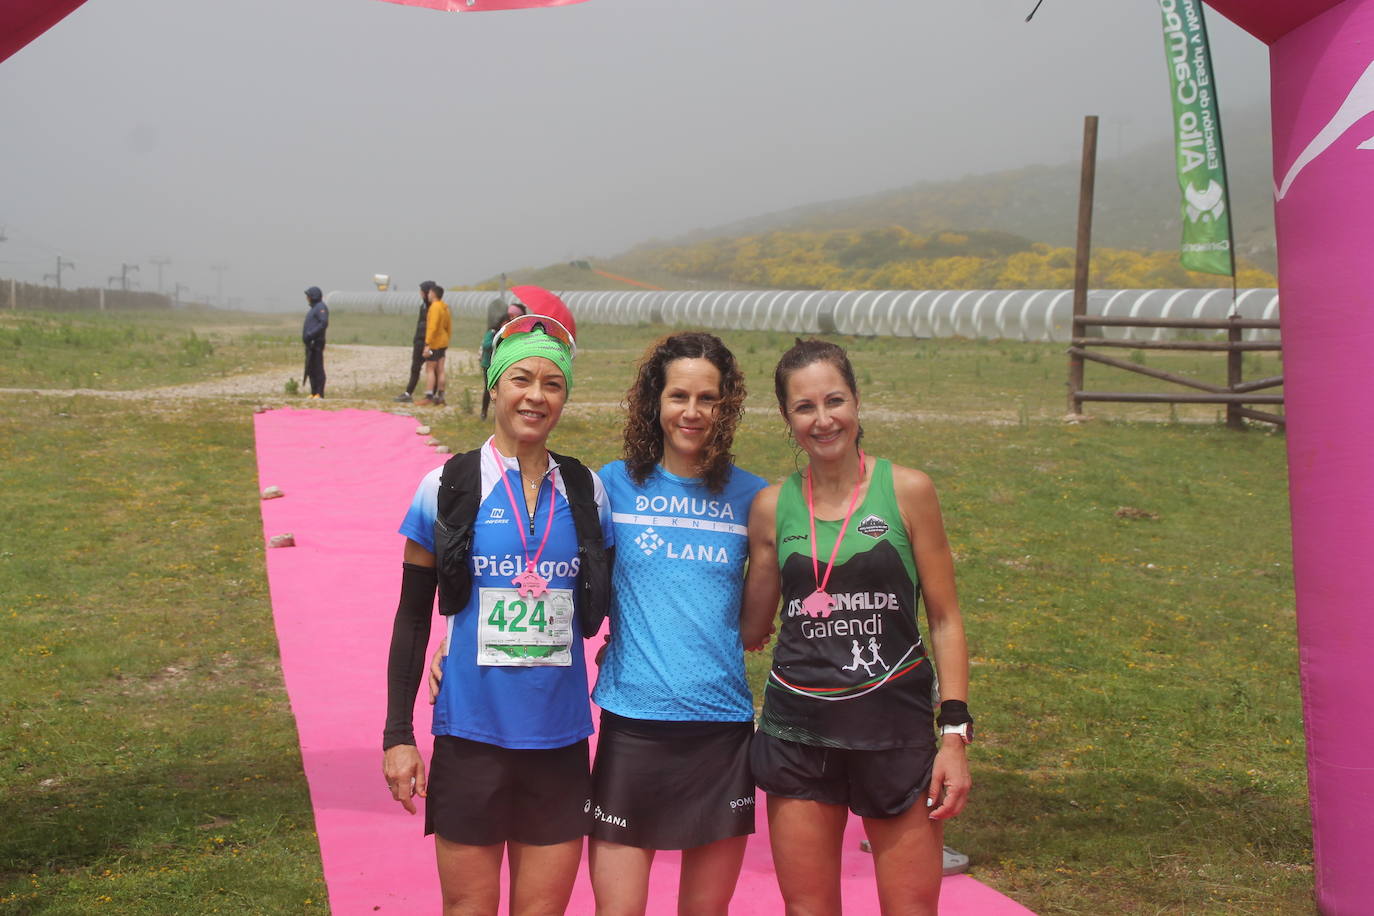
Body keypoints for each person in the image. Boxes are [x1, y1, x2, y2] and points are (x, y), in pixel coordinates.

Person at [383, 312, 613, 916]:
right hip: (470, 737)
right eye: (521, 379)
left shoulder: (588, 491)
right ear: (494, 385)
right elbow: (411, 619)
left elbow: (616, 596)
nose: (536, 396)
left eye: (552, 384)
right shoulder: (446, 485)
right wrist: (398, 736)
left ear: (564, 395)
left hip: (559, 741)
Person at [739, 338, 972, 916]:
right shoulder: (772, 507)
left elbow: (944, 617)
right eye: (805, 407)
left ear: (857, 402)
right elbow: (750, 626)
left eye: (834, 400)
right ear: (787, 419)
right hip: (799, 731)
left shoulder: (908, 491)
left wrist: (955, 735)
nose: (823, 420)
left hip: (892, 729)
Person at [588, 332, 767, 915]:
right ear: (654, 402)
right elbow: (549, 570)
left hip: (720, 729)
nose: (692, 412)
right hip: (633, 725)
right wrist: (453, 641)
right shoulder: (611, 486)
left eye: (709, 399)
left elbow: (758, 621)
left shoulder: (755, 499)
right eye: (679, 396)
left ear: (726, 407)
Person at [395, 280, 436, 403]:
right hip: (419, 341)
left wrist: (428, 343)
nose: (420, 293)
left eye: (422, 291)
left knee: (432, 369)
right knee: (415, 368)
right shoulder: (423, 306)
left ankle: (433, 395)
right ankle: (408, 393)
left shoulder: (434, 307)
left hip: (428, 343)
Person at [302, 286, 329, 399]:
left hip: (316, 342)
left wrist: (311, 334)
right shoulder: (313, 308)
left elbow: (323, 323)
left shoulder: (321, 307)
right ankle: (313, 392)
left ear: (313, 296)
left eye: (308, 296)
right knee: (311, 368)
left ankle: (319, 392)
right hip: (310, 344)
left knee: (317, 367)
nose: (307, 298)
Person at [478, 311, 503, 421]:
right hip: (488, 365)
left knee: (500, 391)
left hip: (499, 366)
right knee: (488, 389)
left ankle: (497, 415)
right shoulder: (492, 333)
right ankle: (484, 412)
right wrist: (496, 340)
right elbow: (486, 345)